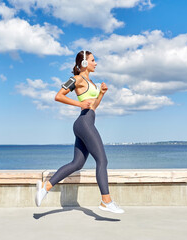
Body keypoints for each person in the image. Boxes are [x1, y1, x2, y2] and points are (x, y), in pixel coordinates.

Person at [35, 50, 124, 214]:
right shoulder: (76, 79)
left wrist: (102, 94)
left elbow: (93, 107)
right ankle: (106, 200)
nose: (96, 63)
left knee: (77, 163)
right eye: (93, 60)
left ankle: (45, 187)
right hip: (84, 123)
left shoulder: (92, 82)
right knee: (102, 160)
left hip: (86, 122)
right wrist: (78, 105)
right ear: (84, 63)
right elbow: (58, 96)